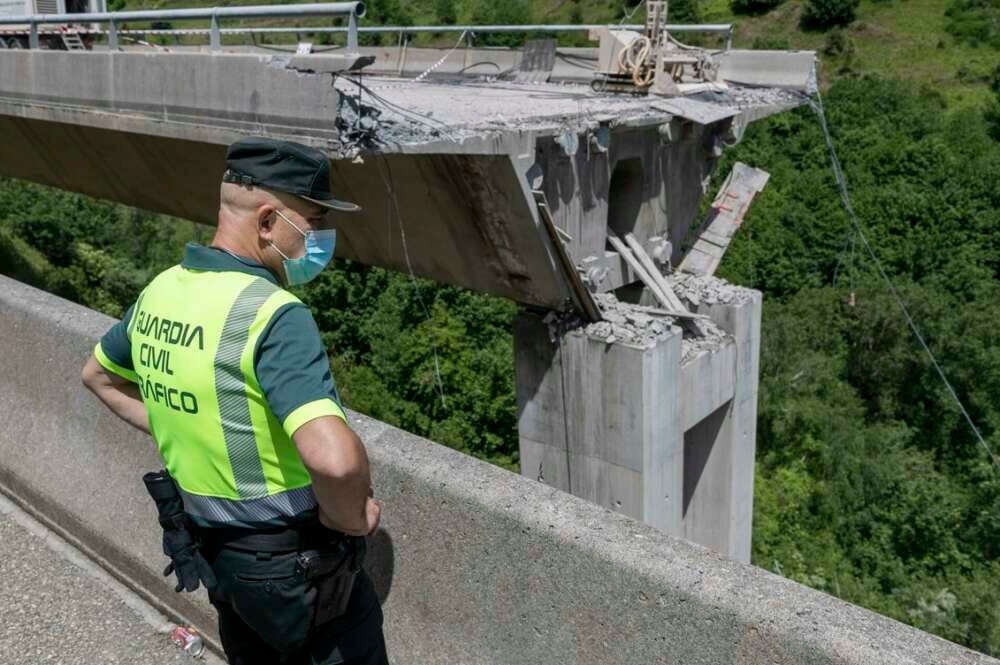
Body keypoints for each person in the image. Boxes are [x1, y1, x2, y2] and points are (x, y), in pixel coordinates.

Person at [81, 137, 387, 665]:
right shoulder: (274, 313)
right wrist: (352, 517)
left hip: (219, 561)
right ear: (268, 222)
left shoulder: (162, 291)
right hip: (300, 570)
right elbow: (334, 461)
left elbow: (100, 377)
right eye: (312, 221)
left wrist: (182, 424)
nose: (318, 238)